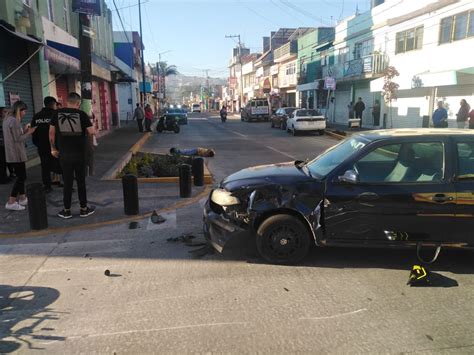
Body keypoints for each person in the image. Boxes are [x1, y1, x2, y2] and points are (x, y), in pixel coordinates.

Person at [49, 92, 95, 219]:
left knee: (67, 182)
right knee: (81, 182)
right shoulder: (82, 114)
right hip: (80, 154)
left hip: (64, 155)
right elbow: (91, 132)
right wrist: (88, 147)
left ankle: (66, 210)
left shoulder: (56, 114)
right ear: (78, 103)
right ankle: (84, 209)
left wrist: (53, 149)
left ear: (66, 101)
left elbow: (51, 132)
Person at [3, 101, 36, 211]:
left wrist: (25, 130)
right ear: (19, 110)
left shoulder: (7, 119)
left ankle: (22, 198)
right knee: (21, 177)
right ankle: (11, 201)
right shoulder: (15, 122)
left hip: (11, 153)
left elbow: (15, 136)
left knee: (20, 176)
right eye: (24, 111)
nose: (25, 113)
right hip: (17, 154)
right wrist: (30, 132)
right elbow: (18, 139)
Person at [31, 96, 58, 193]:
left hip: (42, 146)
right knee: (61, 164)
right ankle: (65, 183)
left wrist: (38, 144)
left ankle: (47, 185)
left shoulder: (37, 116)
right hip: (55, 146)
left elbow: (33, 132)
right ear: (53, 104)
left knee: (45, 166)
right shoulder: (56, 115)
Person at [0, 107, 13, 184]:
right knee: (2, 163)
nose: (6, 113)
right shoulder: (2, 122)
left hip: (4, 145)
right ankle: (3, 178)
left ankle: (5, 176)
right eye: (4, 111)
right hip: (1, 145)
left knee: (4, 162)